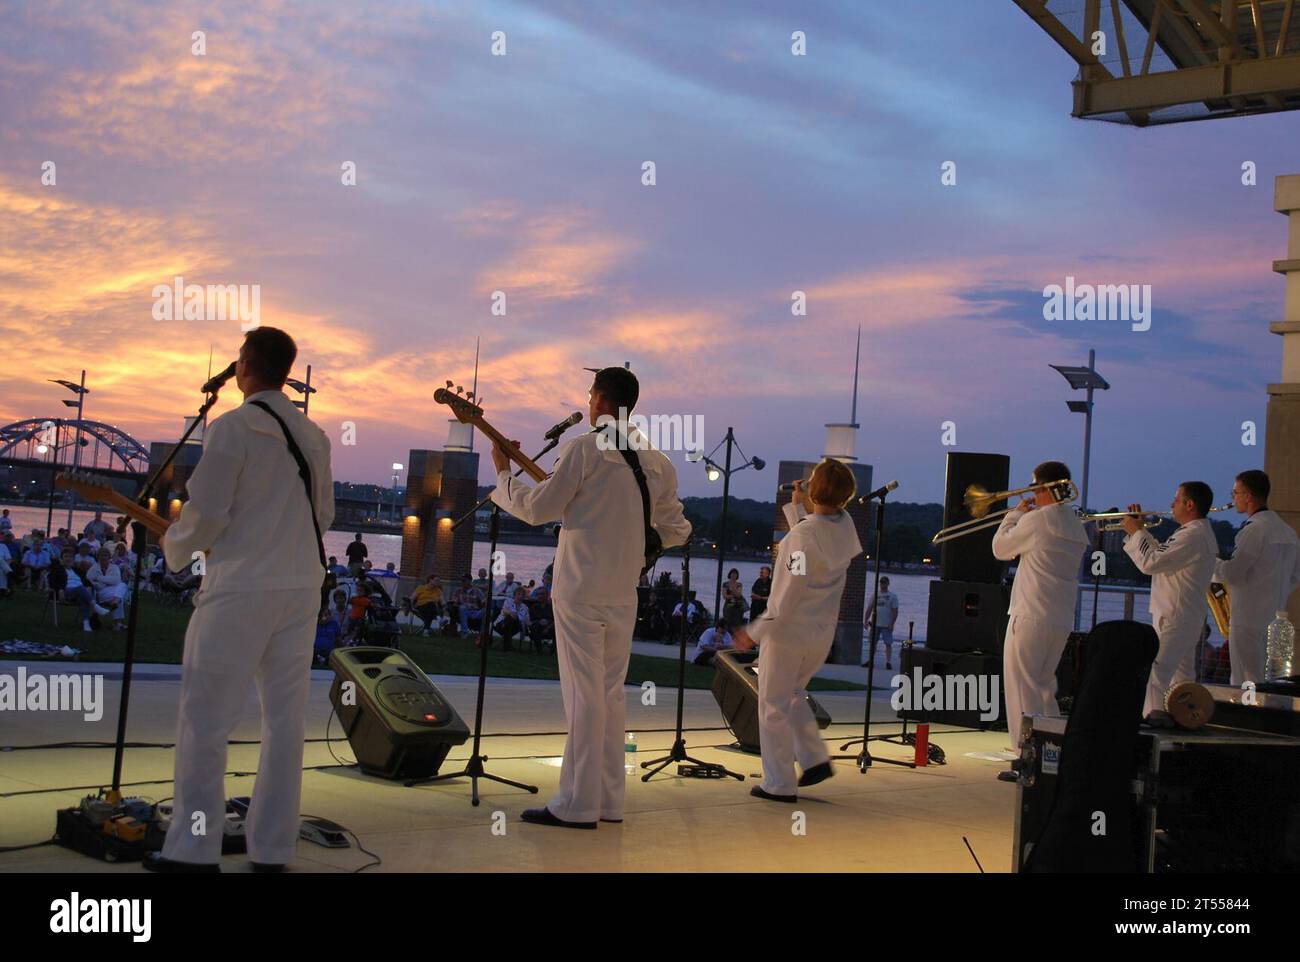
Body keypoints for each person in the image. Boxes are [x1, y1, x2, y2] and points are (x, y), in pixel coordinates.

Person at [145, 326, 334, 874]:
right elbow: (322, 517)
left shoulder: (232, 429)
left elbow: (205, 514)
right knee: (284, 722)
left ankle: (192, 849)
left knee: (205, 720)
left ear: (244, 366)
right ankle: (272, 849)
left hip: (241, 590)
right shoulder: (314, 435)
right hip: (299, 591)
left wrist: (173, 546)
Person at [490, 366, 690, 828]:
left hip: (580, 589)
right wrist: (643, 546)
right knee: (608, 694)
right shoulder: (656, 461)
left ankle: (578, 805)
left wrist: (504, 475)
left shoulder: (582, 449)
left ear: (598, 401)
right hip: (624, 593)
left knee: (584, 696)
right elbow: (679, 529)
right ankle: (608, 801)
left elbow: (539, 509)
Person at [733, 461, 862, 802]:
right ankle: (814, 758)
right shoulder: (844, 527)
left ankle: (779, 783)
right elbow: (812, 539)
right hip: (820, 633)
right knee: (792, 695)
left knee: (773, 704)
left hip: (788, 634)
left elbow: (786, 596)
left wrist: (755, 631)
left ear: (814, 489)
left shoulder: (802, 538)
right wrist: (798, 504)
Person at [991, 461, 1089, 782]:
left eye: (1035, 485)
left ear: (1046, 487)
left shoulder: (1037, 519)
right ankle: (1051, 755)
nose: (1031, 490)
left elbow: (1001, 548)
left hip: (1030, 612)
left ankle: (1026, 758)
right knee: (1044, 687)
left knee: (1021, 688)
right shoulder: (1074, 524)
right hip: (1059, 617)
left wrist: (1014, 514)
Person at [1120, 482, 1219, 720]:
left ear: (1190, 504)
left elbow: (1151, 563)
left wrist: (1137, 532)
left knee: (1157, 671)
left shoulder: (1193, 535)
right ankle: (1183, 723)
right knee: (1181, 679)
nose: (1172, 504)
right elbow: (1162, 558)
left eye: (1176, 499)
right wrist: (1140, 531)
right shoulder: (1193, 533)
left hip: (1176, 616)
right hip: (1183, 614)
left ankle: (1152, 722)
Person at [1214, 470, 1300, 685]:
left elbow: (1233, 573)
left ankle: (1246, 718)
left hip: (1247, 619)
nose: (1233, 498)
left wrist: (1210, 563)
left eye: (1235, 492)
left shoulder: (1254, 530)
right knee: (1271, 682)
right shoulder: (1288, 532)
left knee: (1245, 680)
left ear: (1248, 495)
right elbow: (1296, 576)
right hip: (1276, 618)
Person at [49, 547, 110, 632]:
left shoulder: (77, 570)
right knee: (81, 588)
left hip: (79, 593)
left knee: (83, 597)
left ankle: (86, 623)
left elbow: (87, 581)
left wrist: (89, 587)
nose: (68, 559)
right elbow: (52, 581)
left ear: (73, 559)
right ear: (61, 559)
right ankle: (95, 606)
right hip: (66, 591)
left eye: (70, 557)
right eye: (66, 556)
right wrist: (59, 589)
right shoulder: (58, 569)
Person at [87, 546, 129, 630]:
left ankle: (115, 603)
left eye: (105, 555)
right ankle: (118, 623)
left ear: (109, 557)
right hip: (102, 592)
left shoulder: (114, 567)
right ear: (98, 557)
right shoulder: (94, 568)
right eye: (101, 555)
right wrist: (106, 582)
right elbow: (89, 579)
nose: (103, 557)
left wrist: (98, 578)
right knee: (120, 592)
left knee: (122, 585)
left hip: (115, 590)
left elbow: (116, 580)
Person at [863, 575, 900, 669]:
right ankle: (871, 661)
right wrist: (866, 620)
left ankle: (888, 662)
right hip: (875, 624)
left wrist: (892, 623)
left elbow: (895, 611)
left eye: (884, 582)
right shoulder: (875, 595)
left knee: (888, 643)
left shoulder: (892, 596)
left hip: (887, 624)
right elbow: (869, 608)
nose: (882, 584)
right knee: (872, 643)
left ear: (888, 584)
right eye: (881, 582)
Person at [493, 585, 531, 651]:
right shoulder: (508, 601)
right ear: (514, 595)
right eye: (519, 594)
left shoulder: (525, 607)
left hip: (515, 627)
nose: (520, 596)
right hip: (500, 624)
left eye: (522, 595)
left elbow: (525, 619)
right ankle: (508, 646)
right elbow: (504, 611)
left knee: (510, 620)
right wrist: (511, 613)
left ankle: (505, 646)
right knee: (509, 618)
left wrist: (514, 615)